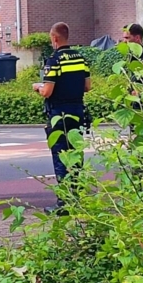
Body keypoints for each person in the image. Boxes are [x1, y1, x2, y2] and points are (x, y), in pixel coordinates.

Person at [33, 22, 91, 214]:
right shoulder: (80, 58)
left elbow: (48, 91)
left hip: (59, 114)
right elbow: (87, 86)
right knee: (76, 155)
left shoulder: (54, 60)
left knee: (61, 156)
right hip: (77, 112)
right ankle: (78, 199)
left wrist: (38, 87)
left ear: (55, 38)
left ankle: (64, 203)